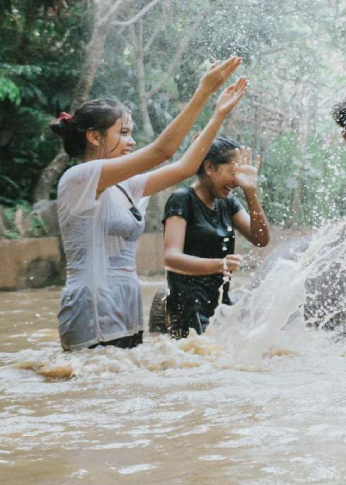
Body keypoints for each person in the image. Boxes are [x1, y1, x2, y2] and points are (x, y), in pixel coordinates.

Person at [50, 57, 246, 351]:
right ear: (94, 137)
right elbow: (162, 151)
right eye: (124, 133)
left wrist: (217, 116)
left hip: (126, 307)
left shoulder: (125, 186)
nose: (131, 141)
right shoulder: (79, 178)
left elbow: (184, 167)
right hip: (91, 309)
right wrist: (202, 93)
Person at [161, 139, 270, 338]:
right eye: (232, 172)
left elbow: (261, 238)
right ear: (209, 167)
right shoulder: (182, 199)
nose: (237, 180)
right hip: (188, 307)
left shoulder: (227, 203)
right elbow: (171, 257)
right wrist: (219, 265)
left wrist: (251, 191)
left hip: (219, 304)